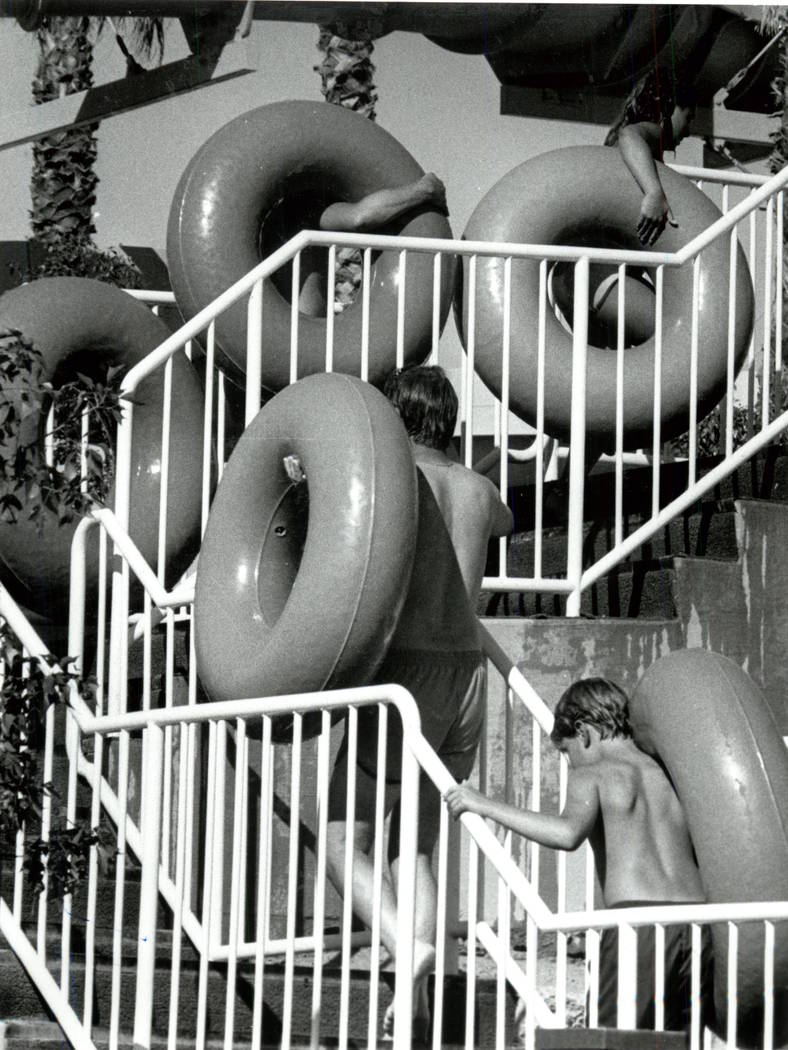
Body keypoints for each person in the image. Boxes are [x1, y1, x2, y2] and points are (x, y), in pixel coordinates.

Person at [323, 364, 513, 1042]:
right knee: (417, 850)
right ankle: (420, 1010)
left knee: (343, 841)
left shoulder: (399, 483)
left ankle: (407, 947)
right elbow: (505, 519)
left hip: (407, 671)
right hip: (468, 677)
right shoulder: (479, 488)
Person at [444, 677, 716, 1034]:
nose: (570, 762)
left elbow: (567, 833)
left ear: (584, 732)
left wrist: (483, 805)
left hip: (639, 925)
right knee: (680, 1041)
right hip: (701, 923)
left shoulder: (593, 773)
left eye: (567, 751)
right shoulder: (667, 772)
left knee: (609, 1040)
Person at [297, 173, 447, 314]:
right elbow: (359, 219)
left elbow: (360, 219)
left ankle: (426, 189)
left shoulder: (297, 208)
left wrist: (425, 189)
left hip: (300, 332)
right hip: (298, 331)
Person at [605, 72, 697, 247]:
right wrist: (654, 193)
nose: (688, 131)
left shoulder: (640, 152)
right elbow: (629, 135)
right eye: (688, 118)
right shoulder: (655, 132)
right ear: (669, 108)